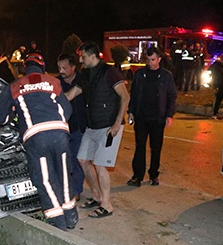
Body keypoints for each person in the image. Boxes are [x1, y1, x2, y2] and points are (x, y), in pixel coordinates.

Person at [0, 53, 78, 231]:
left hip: (36, 136)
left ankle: (58, 222)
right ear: (42, 67)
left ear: (24, 67)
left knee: (45, 179)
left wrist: (14, 118)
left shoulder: (15, 86)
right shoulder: (54, 83)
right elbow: (67, 110)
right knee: (64, 174)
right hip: (60, 134)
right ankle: (71, 216)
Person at [68, 42, 129, 219]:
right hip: (92, 126)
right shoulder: (85, 74)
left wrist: (117, 123)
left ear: (93, 56)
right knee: (82, 159)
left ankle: (106, 205)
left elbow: (125, 96)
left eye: (83, 56)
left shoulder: (109, 72)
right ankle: (96, 195)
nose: (80, 59)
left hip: (109, 126)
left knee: (100, 165)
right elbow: (71, 95)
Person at [127, 47, 177, 187]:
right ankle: (137, 176)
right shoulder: (140, 75)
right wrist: (131, 111)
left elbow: (171, 96)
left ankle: (153, 175)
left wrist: (169, 115)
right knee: (140, 147)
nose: (150, 63)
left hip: (157, 118)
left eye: (153, 60)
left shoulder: (166, 76)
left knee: (156, 148)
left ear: (159, 59)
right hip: (141, 117)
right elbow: (134, 94)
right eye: (148, 60)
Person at [57, 53, 87, 201]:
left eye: (64, 67)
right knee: (63, 160)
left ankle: (76, 190)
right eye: (59, 67)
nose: (61, 70)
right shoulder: (56, 83)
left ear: (73, 67)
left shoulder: (83, 80)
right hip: (61, 129)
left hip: (79, 128)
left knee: (76, 159)